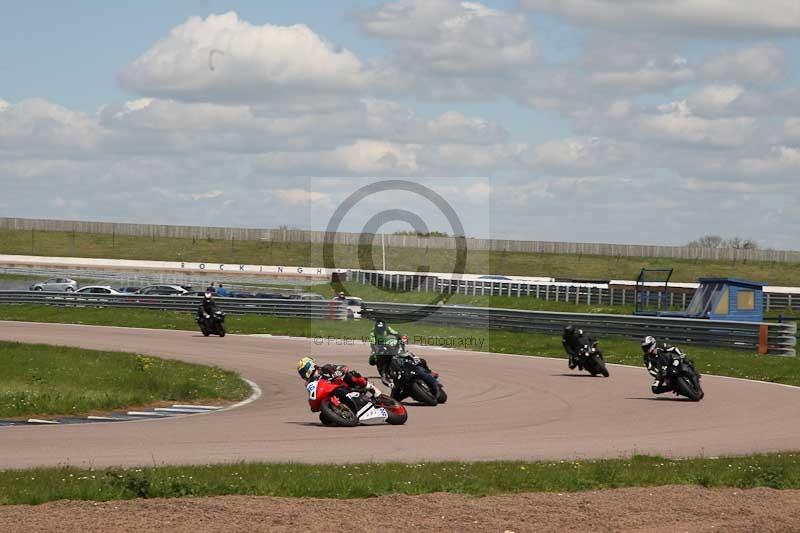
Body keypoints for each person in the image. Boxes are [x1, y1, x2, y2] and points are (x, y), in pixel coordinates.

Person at [296, 357, 382, 412]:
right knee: (324, 419)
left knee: (351, 375)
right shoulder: (309, 383)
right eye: (301, 373)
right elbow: (313, 395)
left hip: (344, 386)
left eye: (303, 371)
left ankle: (371, 387)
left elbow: (344, 367)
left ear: (309, 366)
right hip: (330, 394)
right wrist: (314, 405)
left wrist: (339, 372)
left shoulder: (325, 368)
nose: (303, 374)